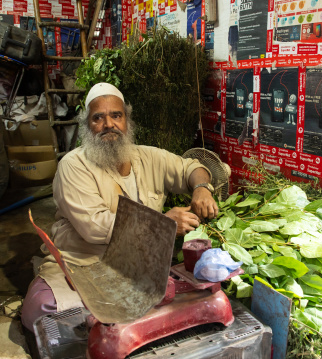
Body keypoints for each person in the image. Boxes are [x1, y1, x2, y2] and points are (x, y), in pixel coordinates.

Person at [21, 82, 219, 332]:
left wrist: (202, 188)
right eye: (98, 118)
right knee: (45, 311)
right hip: (87, 263)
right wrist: (163, 224)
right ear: (87, 126)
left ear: (127, 121)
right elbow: (94, 227)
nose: (109, 124)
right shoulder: (73, 166)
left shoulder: (149, 156)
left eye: (116, 115)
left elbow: (190, 167)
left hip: (142, 264)